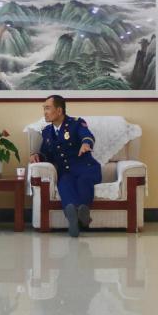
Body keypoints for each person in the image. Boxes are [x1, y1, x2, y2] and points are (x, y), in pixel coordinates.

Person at [29, 95, 102, 237]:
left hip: (85, 168)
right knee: (64, 184)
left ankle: (81, 213)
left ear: (59, 110)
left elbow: (87, 135)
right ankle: (76, 215)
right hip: (66, 172)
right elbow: (46, 155)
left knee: (83, 181)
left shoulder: (76, 123)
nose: (45, 112)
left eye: (48, 108)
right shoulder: (47, 132)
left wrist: (86, 143)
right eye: (44, 109)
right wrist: (36, 156)